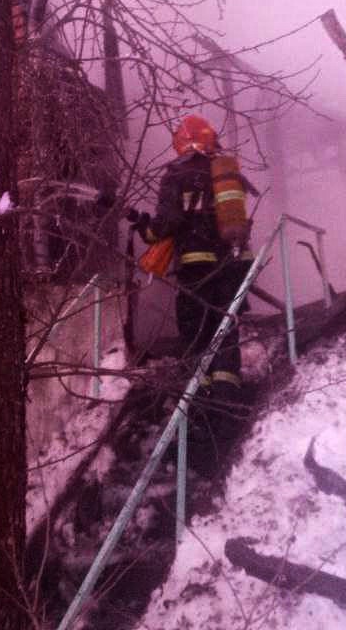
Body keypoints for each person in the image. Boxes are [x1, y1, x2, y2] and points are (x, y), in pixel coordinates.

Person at [127, 115, 253, 461]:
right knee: (225, 330)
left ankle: (204, 405)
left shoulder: (177, 173)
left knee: (197, 333)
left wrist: (143, 228)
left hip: (197, 266)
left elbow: (167, 225)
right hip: (233, 263)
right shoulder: (226, 171)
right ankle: (229, 397)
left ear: (182, 141)